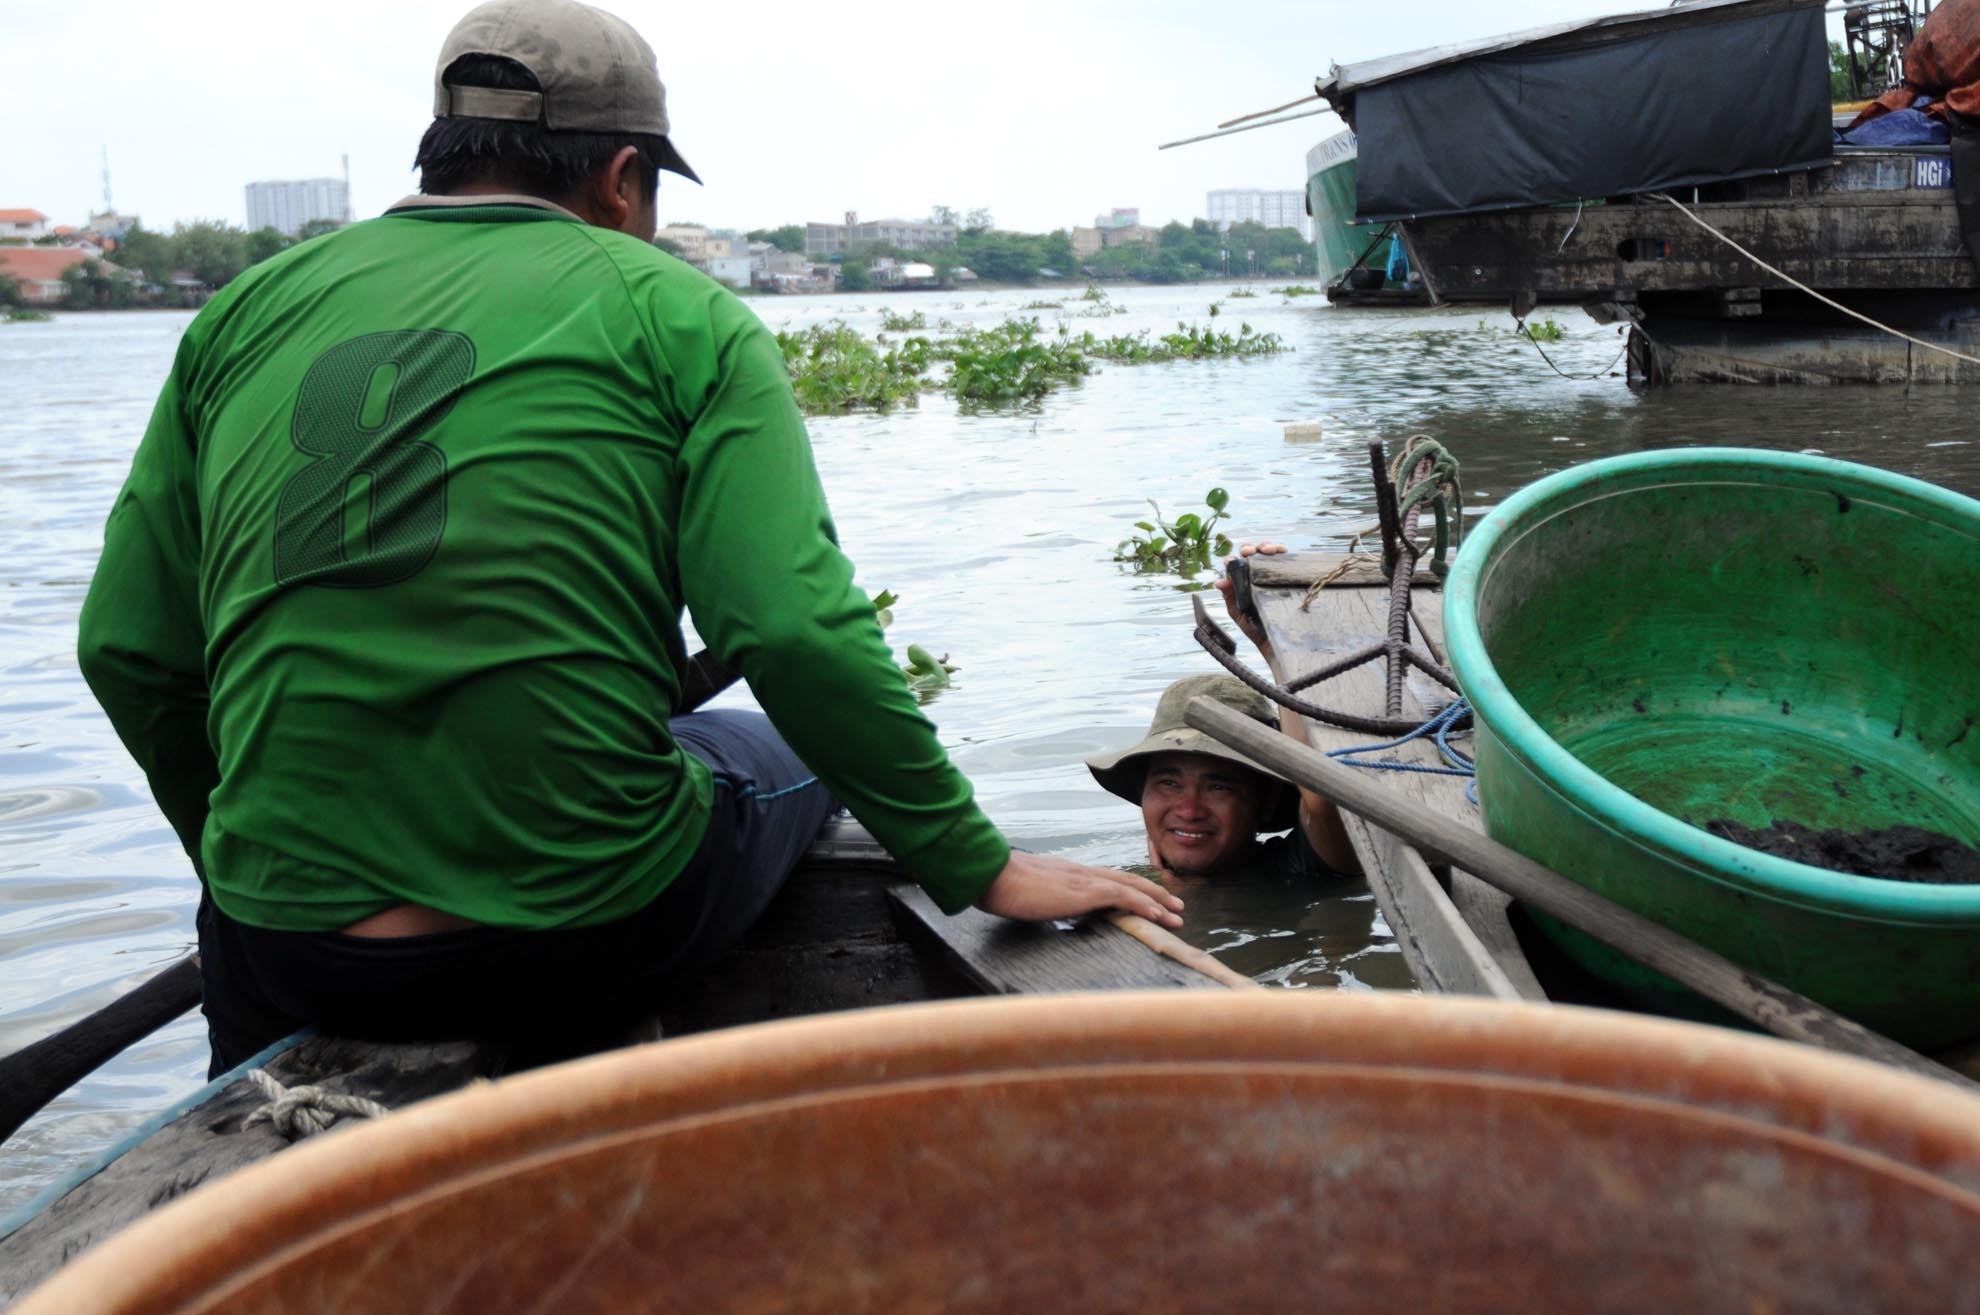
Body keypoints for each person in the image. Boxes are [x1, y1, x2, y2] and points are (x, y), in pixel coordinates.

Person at [76, 0, 1180, 1076]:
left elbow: (126, 650)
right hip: (582, 929)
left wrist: (244, 853)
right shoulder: (680, 313)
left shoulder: (245, 309)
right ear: (620, 181)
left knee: (248, 918)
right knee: (787, 752)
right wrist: (975, 862)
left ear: (444, 155)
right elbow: (792, 629)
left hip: (290, 949)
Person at [1085, 672, 1358, 884]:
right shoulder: (1128, 882)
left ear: (1267, 802)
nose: (1189, 811)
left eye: (1218, 787)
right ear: (1142, 788)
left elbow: (1320, 796)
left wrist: (1273, 651)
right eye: (1169, 783)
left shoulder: (1300, 868)